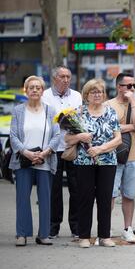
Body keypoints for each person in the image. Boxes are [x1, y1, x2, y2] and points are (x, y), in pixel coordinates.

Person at [65, 79, 121, 248]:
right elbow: (67, 139)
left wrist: (101, 149)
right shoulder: (78, 113)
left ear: (104, 94)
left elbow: (118, 139)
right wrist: (80, 137)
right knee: (85, 198)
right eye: (93, 92)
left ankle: (104, 236)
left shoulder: (111, 112)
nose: (97, 95)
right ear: (86, 95)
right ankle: (84, 236)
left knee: (105, 198)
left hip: (107, 161)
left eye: (100, 92)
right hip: (84, 162)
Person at [9, 76, 60, 246]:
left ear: (42, 91)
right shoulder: (18, 111)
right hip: (24, 161)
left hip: (44, 160)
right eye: (31, 87)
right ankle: (22, 234)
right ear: (26, 90)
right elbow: (13, 136)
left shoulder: (51, 111)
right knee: (22, 198)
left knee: (45, 198)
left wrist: (45, 153)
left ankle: (44, 234)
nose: (35, 90)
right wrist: (26, 153)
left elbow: (57, 135)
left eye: (38, 87)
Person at [42, 65, 82, 239]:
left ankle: (76, 226)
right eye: (62, 76)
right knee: (54, 189)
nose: (66, 80)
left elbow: (80, 117)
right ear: (54, 78)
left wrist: (69, 120)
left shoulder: (77, 95)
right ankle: (53, 226)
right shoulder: (45, 96)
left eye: (68, 77)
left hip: (72, 147)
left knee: (76, 188)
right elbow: (46, 120)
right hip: (53, 148)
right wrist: (61, 119)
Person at [107, 73, 135, 243]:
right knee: (109, 194)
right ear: (118, 87)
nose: (131, 89)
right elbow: (108, 128)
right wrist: (132, 127)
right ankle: (105, 228)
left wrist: (132, 103)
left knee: (129, 194)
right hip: (112, 155)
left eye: (134, 86)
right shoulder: (108, 105)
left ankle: (127, 228)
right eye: (128, 86)